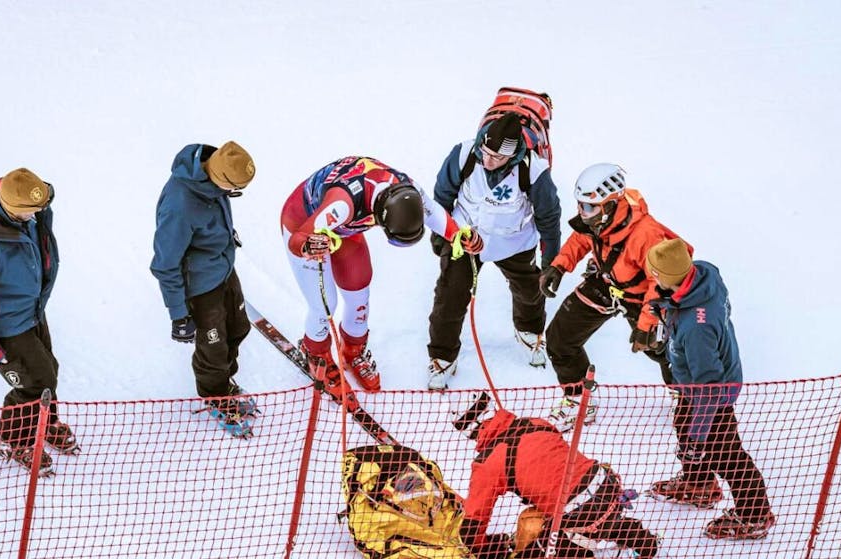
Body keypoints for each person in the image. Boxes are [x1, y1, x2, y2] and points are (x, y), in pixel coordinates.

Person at [280, 156, 479, 392]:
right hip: (305, 223)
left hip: (345, 229)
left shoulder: (408, 190)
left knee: (359, 288)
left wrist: (459, 235)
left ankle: (352, 350)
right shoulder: (342, 205)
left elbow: (433, 213)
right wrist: (308, 246)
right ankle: (315, 352)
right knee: (324, 305)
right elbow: (297, 240)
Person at [644, 239, 775, 540]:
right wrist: (666, 310)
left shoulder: (696, 328)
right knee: (682, 422)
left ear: (666, 277)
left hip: (712, 394)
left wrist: (699, 436)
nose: (652, 276)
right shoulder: (703, 275)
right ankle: (698, 483)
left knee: (726, 454)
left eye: (655, 273)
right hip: (695, 386)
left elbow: (710, 387)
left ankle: (754, 515)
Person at [541, 163, 684, 431]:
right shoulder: (594, 223)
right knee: (560, 338)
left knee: (661, 350)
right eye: (581, 205)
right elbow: (581, 240)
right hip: (606, 282)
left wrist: (646, 326)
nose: (582, 213)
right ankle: (578, 402)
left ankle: (684, 395)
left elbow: (659, 284)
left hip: (643, 297)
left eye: (589, 207)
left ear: (609, 205)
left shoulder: (646, 234)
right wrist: (559, 265)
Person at [427, 111, 562, 390]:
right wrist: (441, 232)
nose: (487, 160)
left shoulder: (533, 170)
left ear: (512, 156)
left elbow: (548, 217)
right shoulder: (464, 154)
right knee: (450, 295)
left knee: (529, 291)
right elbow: (442, 194)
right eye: (485, 152)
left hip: (512, 241)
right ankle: (441, 356)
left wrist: (551, 262)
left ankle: (529, 331)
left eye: (496, 157)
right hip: (464, 237)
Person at [0, 168, 77, 475]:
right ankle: (16, 440)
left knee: (49, 372)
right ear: (12, 208)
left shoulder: (32, 213)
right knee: (31, 384)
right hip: (7, 323)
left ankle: (45, 425)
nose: (36, 216)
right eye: (30, 213)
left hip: (33, 311)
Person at [453, 393, 658, 558]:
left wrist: (485, 548)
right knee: (598, 516)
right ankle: (647, 544)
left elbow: (473, 524)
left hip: (576, 508)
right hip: (604, 482)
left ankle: (579, 551)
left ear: (472, 430)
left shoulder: (487, 463)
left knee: (548, 548)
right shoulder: (533, 422)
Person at [151, 141, 257, 435]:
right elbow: (164, 263)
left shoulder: (214, 181)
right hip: (199, 285)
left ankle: (225, 383)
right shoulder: (180, 205)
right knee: (213, 346)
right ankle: (215, 396)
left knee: (238, 329)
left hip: (222, 269)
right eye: (232, 189)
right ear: (220, 179)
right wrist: (178, 314)